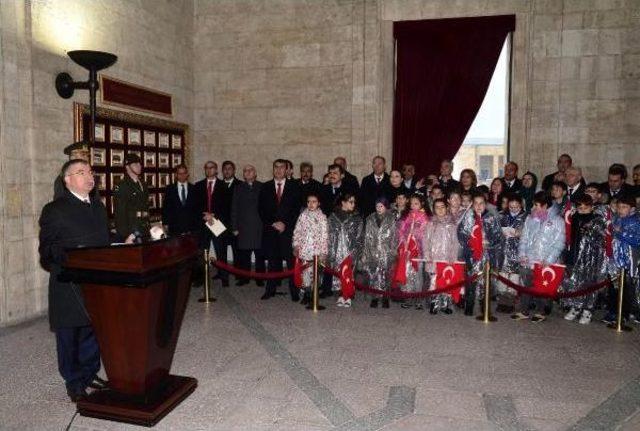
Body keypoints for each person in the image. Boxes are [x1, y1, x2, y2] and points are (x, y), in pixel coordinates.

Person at [39, 159, 131, 402]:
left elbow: (102, 237)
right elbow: (47, 251)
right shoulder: (54, 209)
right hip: (69, 283)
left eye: (90, 172)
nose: (89, 176)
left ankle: (90, 374)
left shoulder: (97, 206)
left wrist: (122, 240)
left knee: (93, 331)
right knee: (70, 335)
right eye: (81, 172)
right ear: (67, 179)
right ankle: (74, 381)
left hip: (96, 281)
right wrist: (74, 254)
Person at [511, 192, 565, 323]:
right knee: (526, 285)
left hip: (544, 260)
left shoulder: (557, 221)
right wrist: (522, 254)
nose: (534, 207)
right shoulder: (530, 218)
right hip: (529, 258)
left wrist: (550, 259)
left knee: (542, 286)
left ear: (545, 205)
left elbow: (559, 242)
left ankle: (541, 311)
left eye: (537, 205)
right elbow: (524, 237)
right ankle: (524, 309)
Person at [258, 159, 302, 300]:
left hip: (287, 231)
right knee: (272, 262)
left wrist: (285, 224)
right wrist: (273, 223)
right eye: (276, 167)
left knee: (291, 262)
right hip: (271, 230)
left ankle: (294, 292)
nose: (278, 170)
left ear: (286, 169)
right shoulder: (265, 187)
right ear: (273, 169)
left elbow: (296, 210)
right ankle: (269, 290)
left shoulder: (295, 186)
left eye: (281, 167)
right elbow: (261, 210)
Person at [561, 194, 608, 325]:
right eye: (580, 208)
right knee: (574, 283)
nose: (582, 210)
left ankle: (588, 309)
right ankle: (575, 307)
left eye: (585, 208)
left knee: (589, 284)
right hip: (574, 255)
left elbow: (602, 239)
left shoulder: (597, 220)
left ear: (591, 207)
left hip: (590, 258)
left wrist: (590, 230)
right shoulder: (573, 218)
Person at [457, 192, 504, 316]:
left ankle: (485, 307)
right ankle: (469, 305)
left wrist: (489, 242)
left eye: (481, 203)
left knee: (485, 282)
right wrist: (471, 243)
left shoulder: (491, 218)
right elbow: (461, 234)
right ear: (472, 205)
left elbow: (498, 236)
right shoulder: (468, 217)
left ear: (486, 204)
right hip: (472, 255)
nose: (478, 206)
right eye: (476, 203)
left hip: (487, 255)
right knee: (471, 281)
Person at [603, 195, 640, 324]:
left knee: (626, 289)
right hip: (615, 259)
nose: (620, 210)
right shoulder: (616, 219)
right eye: (619, 207)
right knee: (614, 287)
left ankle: (623, 314)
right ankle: (612, 311)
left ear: (632, 208)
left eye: (624, 207)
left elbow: (637, 240)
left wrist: (621, 232)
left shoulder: (636, 221)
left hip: (628, 260)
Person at [325, 193, 364, 307]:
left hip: (350, 251)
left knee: (349, 273)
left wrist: (356, 250)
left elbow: (360, 236)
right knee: (337, 273)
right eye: (350, 202)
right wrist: (330, 251)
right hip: (337, 250)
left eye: (354, 202)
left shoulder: (357, 218)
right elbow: (329, 235)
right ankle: (341, 295)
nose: (353, 204)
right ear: (343, 203)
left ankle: (349, 295)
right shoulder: (333, 217)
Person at [230, 165, 265, 286]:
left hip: (259, 228)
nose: (248, 172)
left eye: (250, 170)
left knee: (260, 256)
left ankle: (260, 279)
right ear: (243, 174)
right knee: (244, 256)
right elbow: (234, 209)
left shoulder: (262, 187)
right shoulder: (238, 188)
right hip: (243, 228)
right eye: (245, 171)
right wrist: (234, 227)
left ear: (255, 173)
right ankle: (244, 278)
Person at [423, 198, 459, 314]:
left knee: (446, 281)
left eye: (442, 206)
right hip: (434, 259)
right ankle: (434, 303)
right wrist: (427, 255)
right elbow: (426, 241)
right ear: (433, 209)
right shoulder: (430, 224)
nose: (440, 209)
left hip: (447, 259)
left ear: (447, 208)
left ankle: (446, 304)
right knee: (434, 282)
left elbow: (455, 242)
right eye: (437, 207)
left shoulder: (452, 225)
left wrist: (453, 256)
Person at [292, 193, 329, 304]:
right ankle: (306, 293)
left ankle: (314, 294)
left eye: (314, 202)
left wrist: (323, 252)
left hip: (316, 252)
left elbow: (325, 236)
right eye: (309, 202)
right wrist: (296, 245)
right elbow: (297, 231)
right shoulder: (302, 216)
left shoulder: (322, 217)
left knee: (315, 274)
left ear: (318, 203)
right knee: (305, 274)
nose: (311, 204)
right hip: (304, 250)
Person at [194, 161, 226, 285]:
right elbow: (195, 206)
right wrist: (205, 215)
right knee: (202, 251)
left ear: (216, 170)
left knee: (220, 250)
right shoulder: (198, 185)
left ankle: (224, 277)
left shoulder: (223, 186)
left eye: (211, 168)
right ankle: (200, 279)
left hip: (216, 222)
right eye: (206, 168)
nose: (209, 170)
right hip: (203, 223)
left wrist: (213, 215)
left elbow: (226, 206)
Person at [362, 197, 397, 309]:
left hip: (386, 251)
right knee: (374, 274)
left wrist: (393, 251)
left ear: (386, 207)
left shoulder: (391, 219)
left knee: (386, 274)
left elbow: (394, 236)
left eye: (381, 206)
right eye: (377, 206)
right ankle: (374, 297)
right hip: (373, 251)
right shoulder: (370, 218)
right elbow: (367, 237)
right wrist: (366, 253)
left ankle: (385, 297)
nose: (379, 208)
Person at [396, 194, 429, 310]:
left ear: (422, 204)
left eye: (416, 203)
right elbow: (401, 231)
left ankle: (418, 299)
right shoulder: (407, 216)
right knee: (408, 273)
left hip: (418, 251)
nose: (413, 206)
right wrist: (403, 242)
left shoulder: (424, 217)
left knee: (418, 274)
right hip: (407, 250)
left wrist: (414, 233)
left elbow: (425, 234)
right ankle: (408, 297)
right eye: (412, 203)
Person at [496, 194, 527, 313]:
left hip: (518, 250)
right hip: (503, 250)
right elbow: (496, 230)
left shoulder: (526, 217)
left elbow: (529, 234)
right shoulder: (502, 215)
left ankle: (511, 301)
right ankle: (502, 301)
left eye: (516, 207)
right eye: (511, 207)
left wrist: (520, 233)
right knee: (503, 275)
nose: (513, 209)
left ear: (521, 205)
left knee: (514, 276)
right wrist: (501, 233)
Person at [213, 160, 242, 286]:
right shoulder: (217, 184)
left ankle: (238, 274)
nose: (227, 171)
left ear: (234, 170)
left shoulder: (240, 184)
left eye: (230, 168)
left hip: (234, 224)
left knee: (237, 251)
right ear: (222, 170)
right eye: (225, 169)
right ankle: (222, 274)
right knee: (220, 251)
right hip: (218, 224)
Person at [113, 153, 150, 239]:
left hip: (144, 229)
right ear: (127, 167)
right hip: (131, 230)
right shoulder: (122, 186)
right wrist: (126, 236)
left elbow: (145, 208)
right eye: (135, 164)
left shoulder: (143, 184)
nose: (139, 166)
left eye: (139, 163)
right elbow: (120, 214)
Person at [162, 163, 199, 236]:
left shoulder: (194, 188)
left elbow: (197, 208)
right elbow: (166, 208)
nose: (182, 175)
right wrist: (165, 223)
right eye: (180, 173)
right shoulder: (170, 189)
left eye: (184, 173)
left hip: (191, 227)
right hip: (174, 227)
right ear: (176, 175)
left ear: (187, 174)